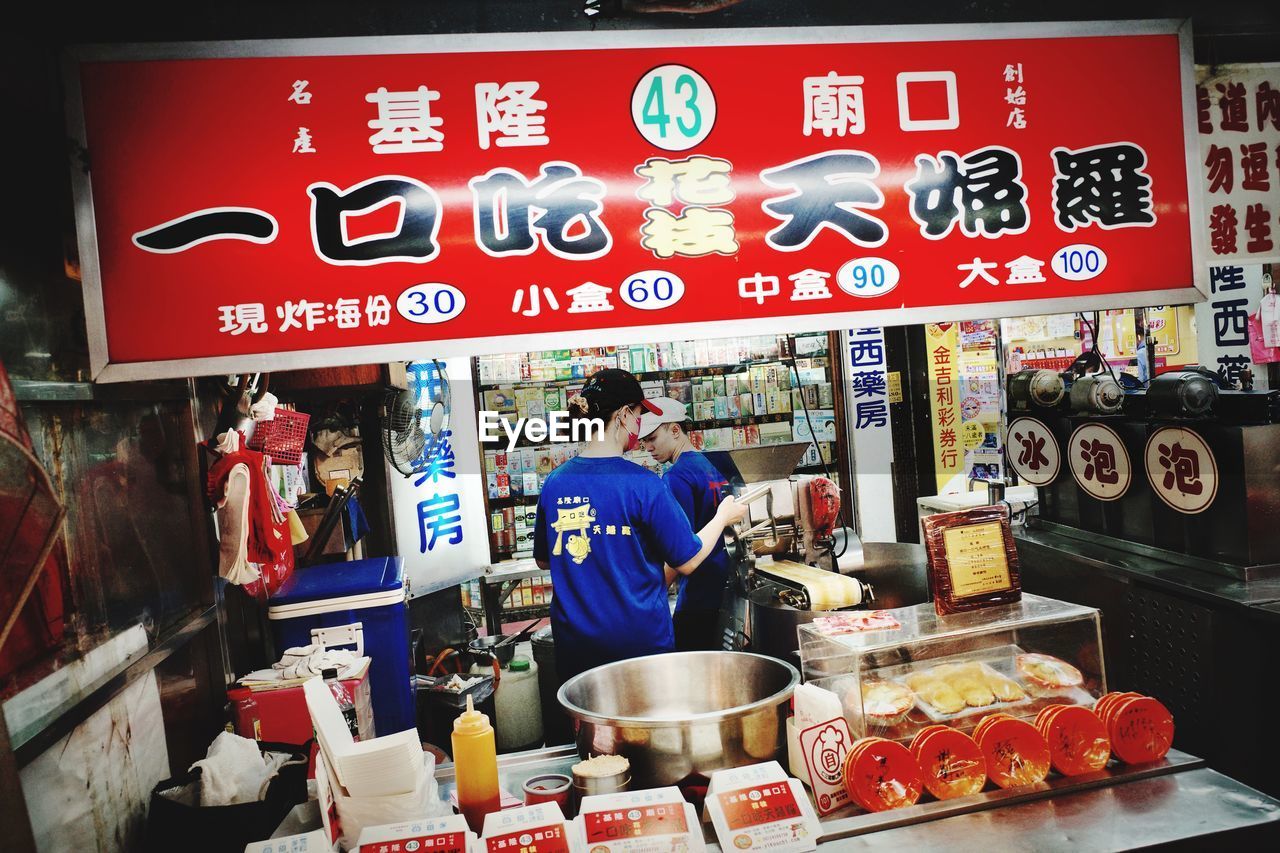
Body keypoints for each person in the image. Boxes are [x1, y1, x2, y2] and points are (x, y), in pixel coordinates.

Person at [533, 369, 748, 685]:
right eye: (637, 416)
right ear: (621, 416)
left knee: (591, 733)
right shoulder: (644, 485)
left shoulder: (554, 483)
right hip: (639, 649)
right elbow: (687, 560)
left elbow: (544, 559)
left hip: (576, 648)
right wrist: (721, 518)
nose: (638, 427)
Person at [638, 397, 733, 651]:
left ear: (675, 430)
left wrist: (651, 594)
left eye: (652, 438)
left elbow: (680, 549)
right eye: (643, 441)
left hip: (698, 595)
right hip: (725, 586)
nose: (647, 447)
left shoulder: (676, 476)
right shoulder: (710, 465)